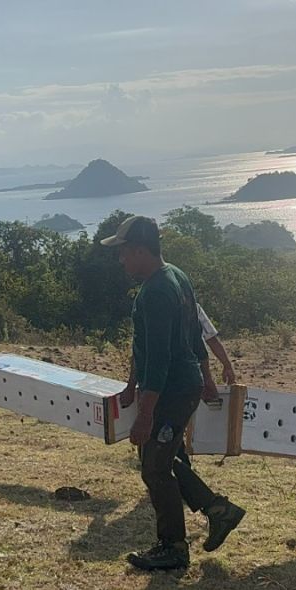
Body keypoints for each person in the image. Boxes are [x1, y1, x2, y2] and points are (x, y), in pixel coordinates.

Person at [102, 215, 245, 571]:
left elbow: (160, 358)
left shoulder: (155, 293)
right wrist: (134, 385)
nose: (121, 261)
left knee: (154, 467)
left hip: (172, 389)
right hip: (183, 383)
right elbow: (178, 337)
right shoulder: (176, 276)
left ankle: (173, 547)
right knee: (164, 459)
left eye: (123, 253)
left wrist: (146, 415)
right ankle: (217, 510)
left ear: (139, 250)